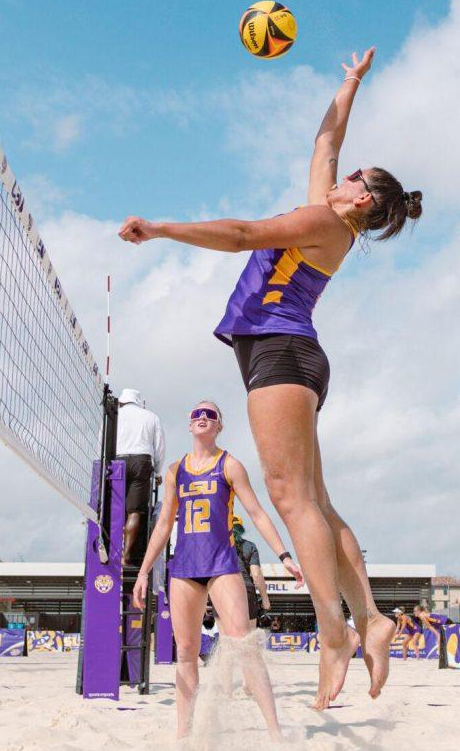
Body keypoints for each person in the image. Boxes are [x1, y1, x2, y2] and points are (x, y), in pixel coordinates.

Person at [120, 47, 422, 709]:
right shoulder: (333, 217)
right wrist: (350, 83)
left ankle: (333, 628)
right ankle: (370, 617)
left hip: (280, 355)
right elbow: (326, 142)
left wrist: (163, 229)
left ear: (361, 198)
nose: (340, 177)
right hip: (296, 355)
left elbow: (240, 233)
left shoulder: (322, 221)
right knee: (316, 499)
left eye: (352, 179)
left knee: (292, 499)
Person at [133, 400, 303, 739]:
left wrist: (283, 554)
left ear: (219, 426)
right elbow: (164, 523)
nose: (202, 418)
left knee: (243, 644)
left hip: (221, 564)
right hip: (184, 567)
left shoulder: (230, 465)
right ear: (189, 424)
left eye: (209, 414)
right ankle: (184, 738)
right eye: (196, 414)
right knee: (186, 654)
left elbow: (256, 512)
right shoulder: (175, 470)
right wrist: (143, 571)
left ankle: (275, 733)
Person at [115, 388, 166, 565]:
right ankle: (126, 555)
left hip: (116, 462)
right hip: (141, 461)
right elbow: (159, 446)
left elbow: (102, 439)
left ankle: (112, 548)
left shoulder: (114, 414)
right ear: (139, 402)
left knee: (115, 508)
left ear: (122, 401)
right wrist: (158, 472)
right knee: (135, 511)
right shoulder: (151, 416)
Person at [231, 517, 269, 630]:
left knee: (225, 637)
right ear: (241, 529)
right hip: (246, 588)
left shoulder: (219, 544)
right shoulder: (250, 546)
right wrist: (265, 598)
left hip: (222, 588)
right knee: (249, 634)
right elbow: (256, 574)